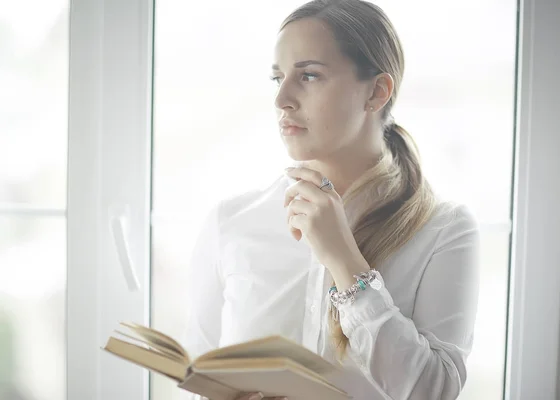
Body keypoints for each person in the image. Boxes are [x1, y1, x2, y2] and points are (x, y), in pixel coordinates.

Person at [181, 0, 480, 399]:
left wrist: (344, 259)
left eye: (308, 76)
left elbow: (434, 391)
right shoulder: (231, 222)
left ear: (376, 92)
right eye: (278, 78)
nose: (282, 99)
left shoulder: (444, 230)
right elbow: (196, 382)